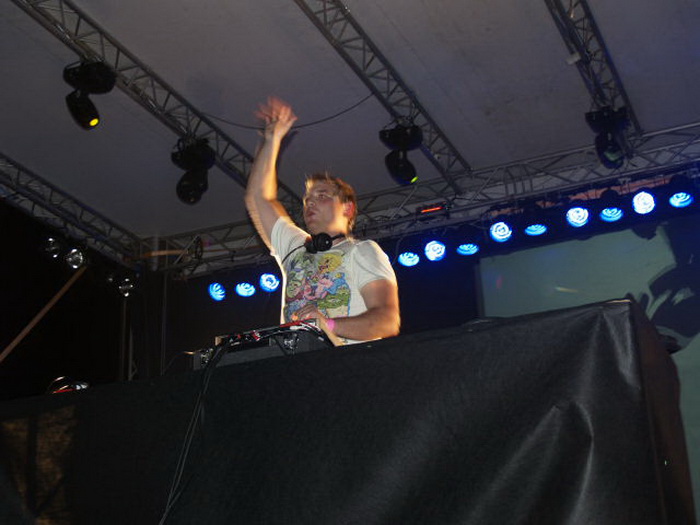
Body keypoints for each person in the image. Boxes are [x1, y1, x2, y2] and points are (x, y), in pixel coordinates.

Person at [245, 97, 400, 345]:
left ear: (347, 208)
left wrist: (327, 325)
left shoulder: (362, 251)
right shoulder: (294, 247)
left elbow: (386, 321)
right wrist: (272, 141)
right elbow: (258, 198)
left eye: (322, 196)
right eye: (307, 199)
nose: (310, 203)